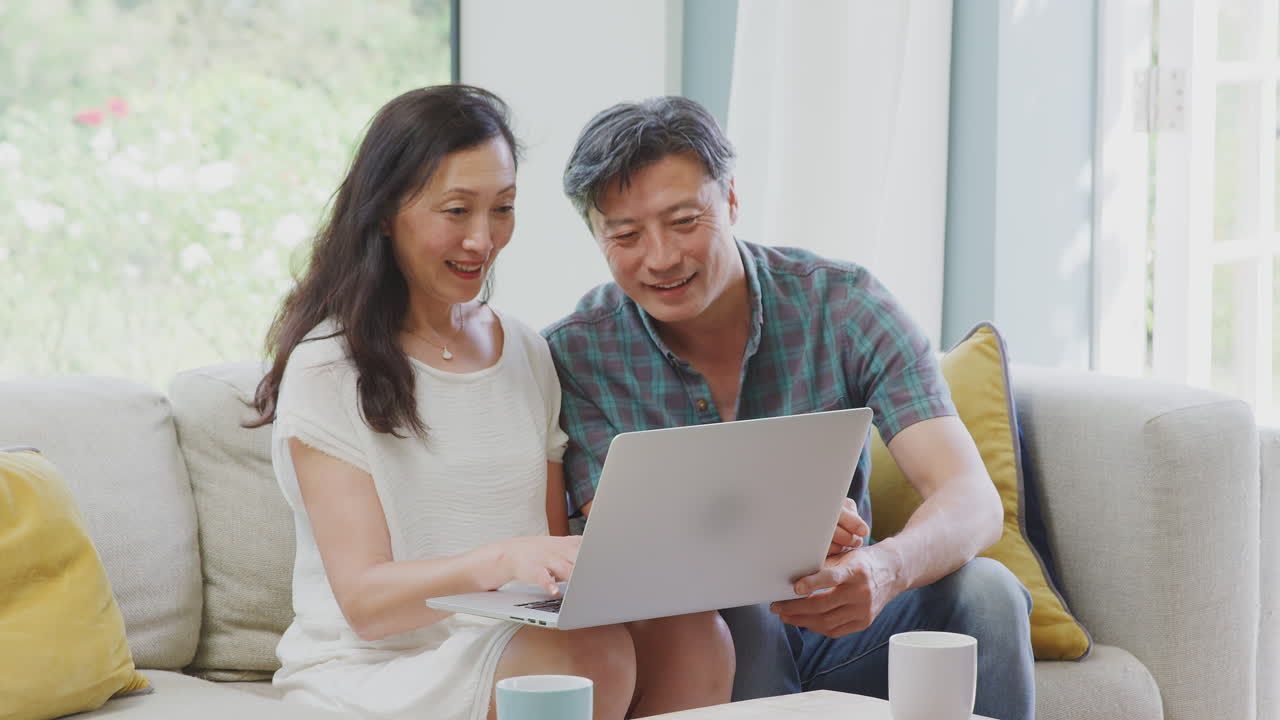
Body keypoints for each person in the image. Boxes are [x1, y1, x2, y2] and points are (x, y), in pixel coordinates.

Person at [248, 86, 734, 720]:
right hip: (376, 668)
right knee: (587, 658)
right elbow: (367, 604)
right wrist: (503, 559)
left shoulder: (527, 352)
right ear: (387, 211)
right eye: (456, 211)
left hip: (515, 638)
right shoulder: (330, 366)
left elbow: (557, 570)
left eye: (502, 208)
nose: (483, 239)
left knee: (695, 635)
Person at [544, 96, 1035, 720]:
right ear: (597, 235)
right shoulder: (576, 353)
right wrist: (782, 532)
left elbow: (970, 497)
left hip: (846, 619)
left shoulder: (843, 305)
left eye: (685, 220)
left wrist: (884, 569)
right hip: (705, 637)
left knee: (988, 592)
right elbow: (633, 541)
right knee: (734, 612)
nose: (661, 257)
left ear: (731, 200)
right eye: (626, 235)